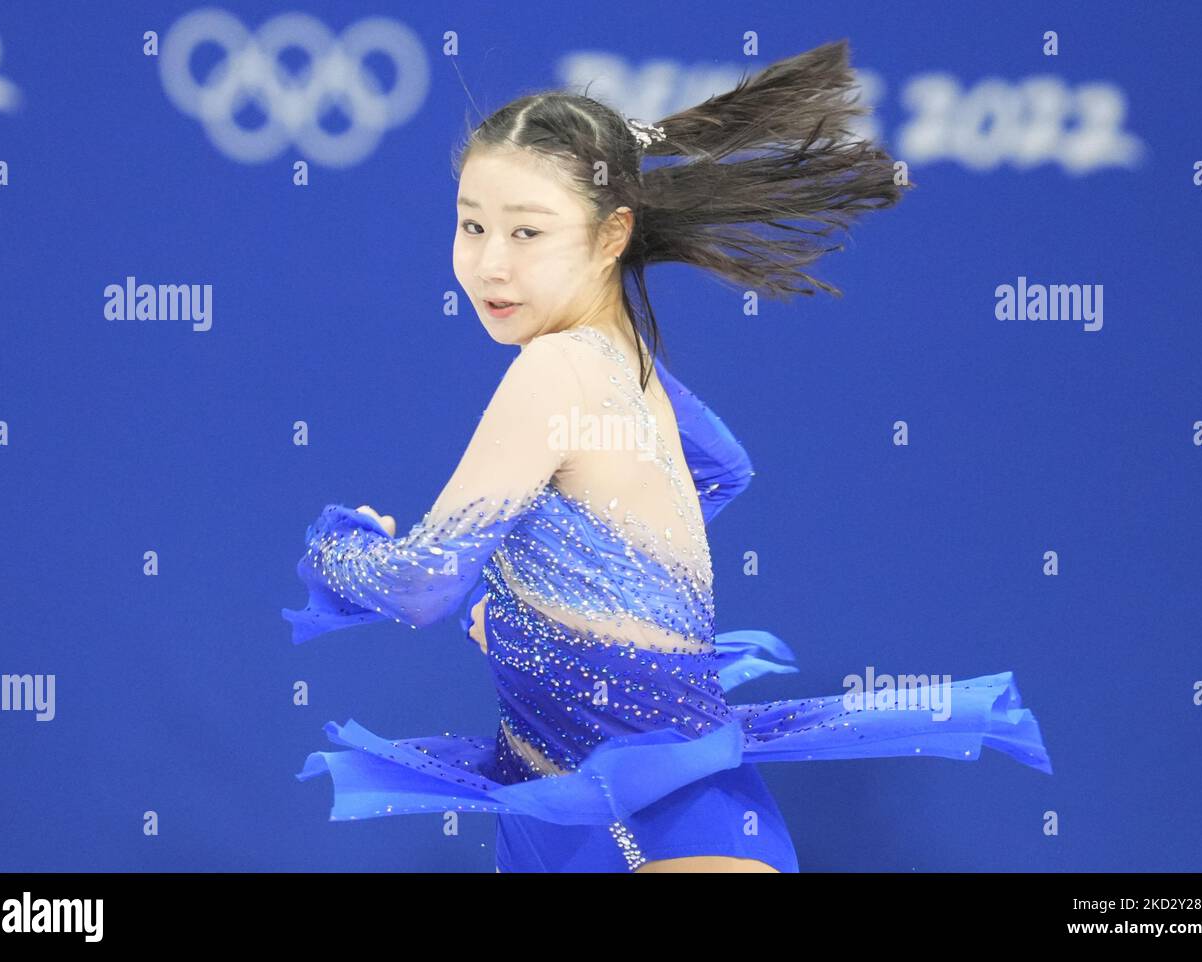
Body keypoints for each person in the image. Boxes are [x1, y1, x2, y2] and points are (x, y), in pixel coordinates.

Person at [281, 39, 1052, 873]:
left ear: (613, 234)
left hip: (658, 822)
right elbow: (718, 471)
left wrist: (336, 549)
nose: (489, 263)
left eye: (526, 231)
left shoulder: (558, 365)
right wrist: (539, 590)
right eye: (472, 225)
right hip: (560, 808)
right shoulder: (629, 364)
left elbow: (424, 581)